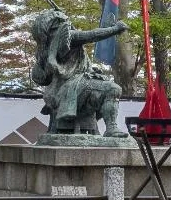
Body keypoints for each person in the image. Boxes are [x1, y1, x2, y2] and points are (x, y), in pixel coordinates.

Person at [31, 8, 129, 137]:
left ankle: (110, 127)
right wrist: (115, 29)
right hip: (72, 86)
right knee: (113, 89)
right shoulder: (67, 36)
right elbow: (92, 35)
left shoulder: (45, 47)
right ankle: (111, 128)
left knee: (110, 88)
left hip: (62, 88)